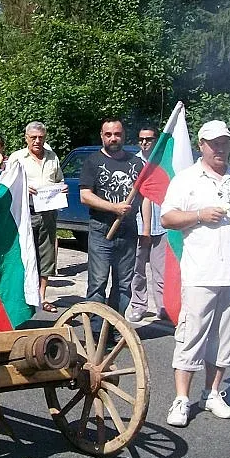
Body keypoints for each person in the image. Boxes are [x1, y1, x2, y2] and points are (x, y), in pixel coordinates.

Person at [161, 120, 230, 427]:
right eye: (213, 143)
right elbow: (167, 218)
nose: (220, 147)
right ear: (202, 146)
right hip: (200, 274)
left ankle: (212, 393)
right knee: (191, 336)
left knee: (226, 338)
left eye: (224, 142)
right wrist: (199, 215)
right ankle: (181, 399)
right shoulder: (186, 180)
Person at [79, 118, 143, 333]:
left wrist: (145, 227)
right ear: (102, 136)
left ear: (124, 135)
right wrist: (113, 208)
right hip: (101, 229)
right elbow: (85, 196)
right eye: (109, 134)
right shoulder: (92, 162)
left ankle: (115, 330)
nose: (113, 138)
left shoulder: (137, 164)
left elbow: (145, 197)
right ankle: (96, 334)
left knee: (124, 285)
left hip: (128, 231)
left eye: (117, 134)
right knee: (98, 283)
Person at [7, 122, 66, 312]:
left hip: (48, 213)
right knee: (24, 254)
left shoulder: (52, 157)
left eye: (41, 137)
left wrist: (62, 188)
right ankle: (23, 296)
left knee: (46, 255)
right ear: (26, 138)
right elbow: (6, 186)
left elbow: (59, 180)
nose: (37, 141)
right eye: (33, 137)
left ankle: (41, 298)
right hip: (25, 213)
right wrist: (23, 189)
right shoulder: (17, 158)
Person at [130, 125, 168, 322]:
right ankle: (139, 305)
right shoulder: (133, 163)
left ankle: (163, 307)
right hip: (137, 224)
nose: (144, 143)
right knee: (137, 269)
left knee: (161, 270)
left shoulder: (164, 163)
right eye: (141, 139)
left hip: (162, 225)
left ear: (156, 141)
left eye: (149, 139)